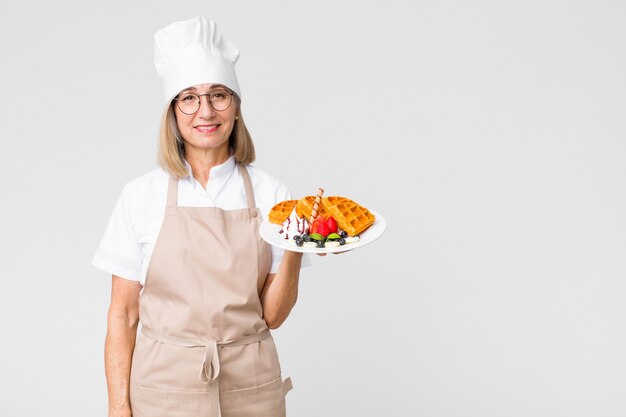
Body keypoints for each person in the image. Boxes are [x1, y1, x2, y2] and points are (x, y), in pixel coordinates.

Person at [92, 16, 308, 417]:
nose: (205, 111)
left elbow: (274, 315)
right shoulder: (141, 195)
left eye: (218, 95)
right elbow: (123, 316)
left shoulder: (274, 196)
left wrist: (297, 245)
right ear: (173, 112)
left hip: (251, 387)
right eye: (189, 97)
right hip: (163, 389)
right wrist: (118, 408)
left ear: (237, 107)